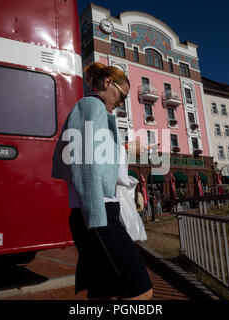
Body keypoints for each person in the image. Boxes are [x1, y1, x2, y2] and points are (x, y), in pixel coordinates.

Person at [51, 62, 153, 300]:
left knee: (104, 293)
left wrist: (126, 149)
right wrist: (97, 217)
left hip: (97, 212)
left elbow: (104, 165)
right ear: (108, 83)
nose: (122, 102)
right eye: (123, 95)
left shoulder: (98, 113)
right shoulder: (91, 105)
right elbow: (85, 164)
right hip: (99, 213)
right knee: (141, 292)